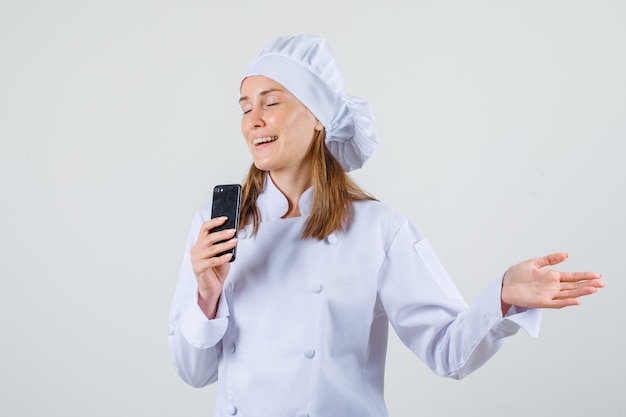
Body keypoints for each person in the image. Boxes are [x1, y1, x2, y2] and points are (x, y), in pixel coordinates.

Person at [168, 34, 604, 417]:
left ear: (318, 115)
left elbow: (447, 352)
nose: (253, 121)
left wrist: (502, 297)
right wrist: (207, 294)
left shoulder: (379, 229)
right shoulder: (217, 227)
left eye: (271, 102)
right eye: (245, 108)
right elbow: (193, 373)